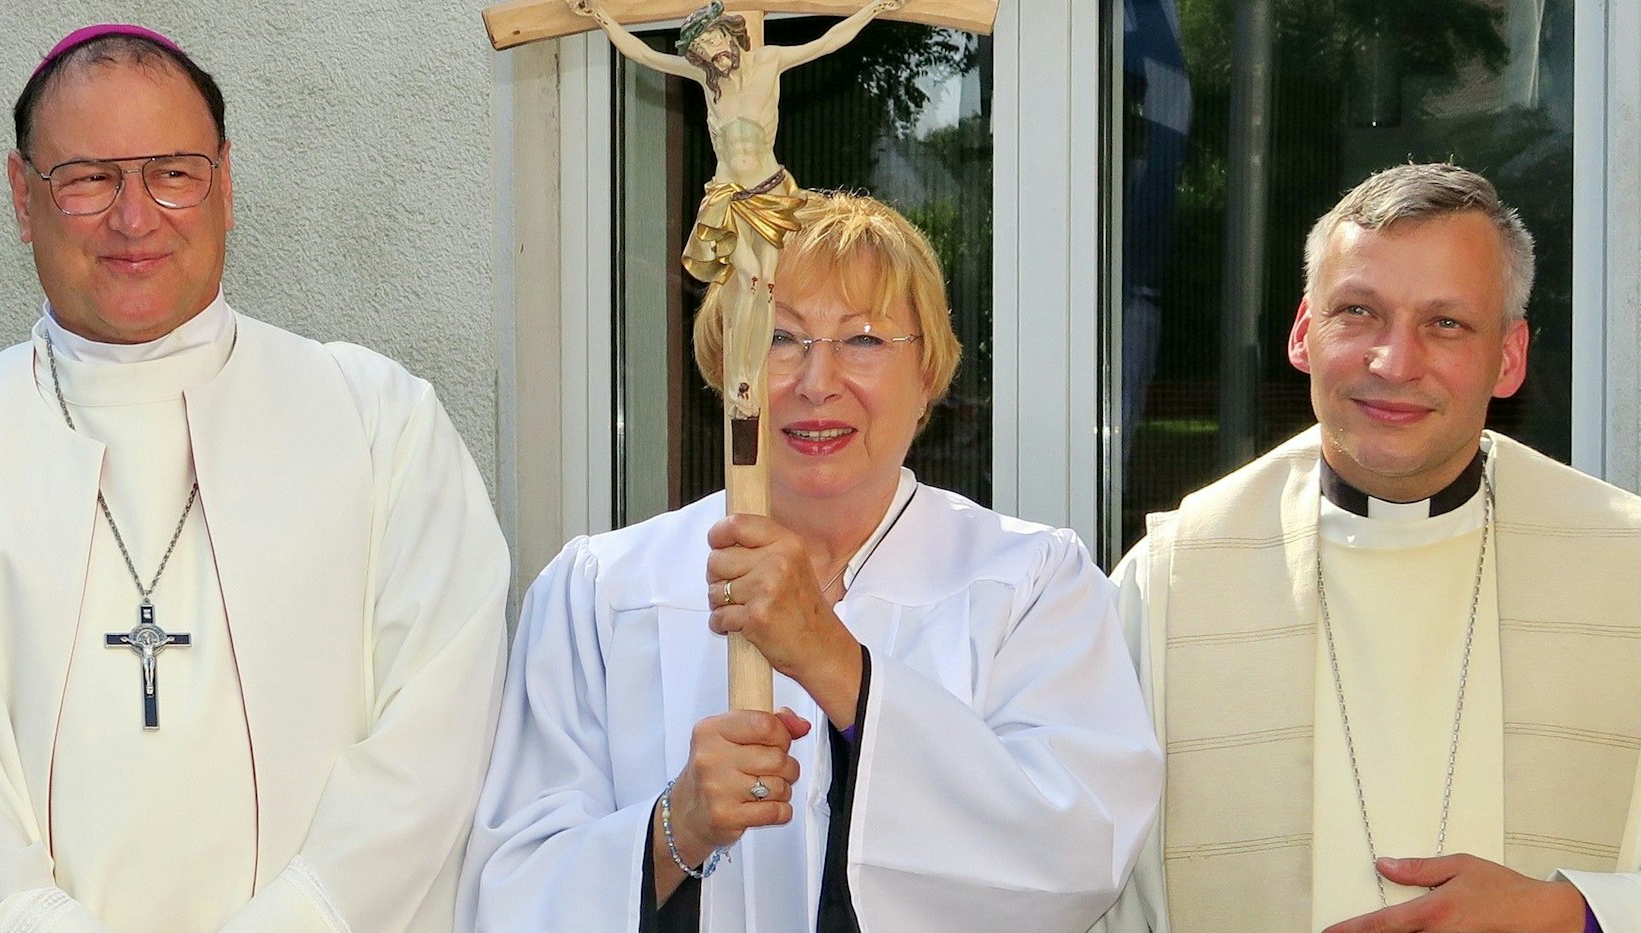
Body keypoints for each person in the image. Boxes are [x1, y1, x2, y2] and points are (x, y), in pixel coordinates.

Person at [0, 24, 510, 932]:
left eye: (173, 172)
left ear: (226, 183)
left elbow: (437, 733)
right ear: (21, 197)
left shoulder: (378, 421)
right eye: (88, 178)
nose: (136, 218)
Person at [1097, 163, 1641, 932]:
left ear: (1510, 357)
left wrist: (1571, 914)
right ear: (1303, 332)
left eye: (1446, 323)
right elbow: (1074, 883)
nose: (1395, 362)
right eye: (1358, 311)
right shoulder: (1171, 581)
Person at [458, 191, 1162, 931]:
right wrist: (677, 826)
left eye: (862, 339)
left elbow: (1081, 849)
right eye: (779, 338)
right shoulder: (603, 594)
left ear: (928, 376)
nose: (816, 381)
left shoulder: (1030, 584)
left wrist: (831, 659)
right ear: (727, 371)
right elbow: (508, 892)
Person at [562, 0, 913, 420]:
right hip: (729, 196)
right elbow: (645, 55)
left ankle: (750, 375)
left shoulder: (769, 62)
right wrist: (599, 16)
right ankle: (738, 380)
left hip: (770, 192)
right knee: (743, 281)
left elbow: (828, 41)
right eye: (703, 51)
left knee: (764, 289)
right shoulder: (709, 85)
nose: (712, 54)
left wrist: (876, 6)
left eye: (714, 41)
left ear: (729, 33)